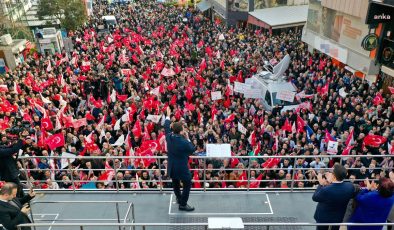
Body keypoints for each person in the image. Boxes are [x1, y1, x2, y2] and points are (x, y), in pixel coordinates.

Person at [164, 107, 196, 211]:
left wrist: (168, 115)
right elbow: (192, 149)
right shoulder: (184, 142)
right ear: (181, 131)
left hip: (172, 166)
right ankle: (183, 204)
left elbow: (166, 127)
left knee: (175, 183)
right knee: (187, 183)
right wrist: (188, 138)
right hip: (182, 168)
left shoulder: (169, 137)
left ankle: (178, 197)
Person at [312, 164, 356, 230]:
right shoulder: (350, 186)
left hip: (323, 218)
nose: (329, 173)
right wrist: (330, 182)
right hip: (338, 217)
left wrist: (321, 184)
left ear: (334, 176)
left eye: (331, 172)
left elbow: (315, 197)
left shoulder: (326, 190)